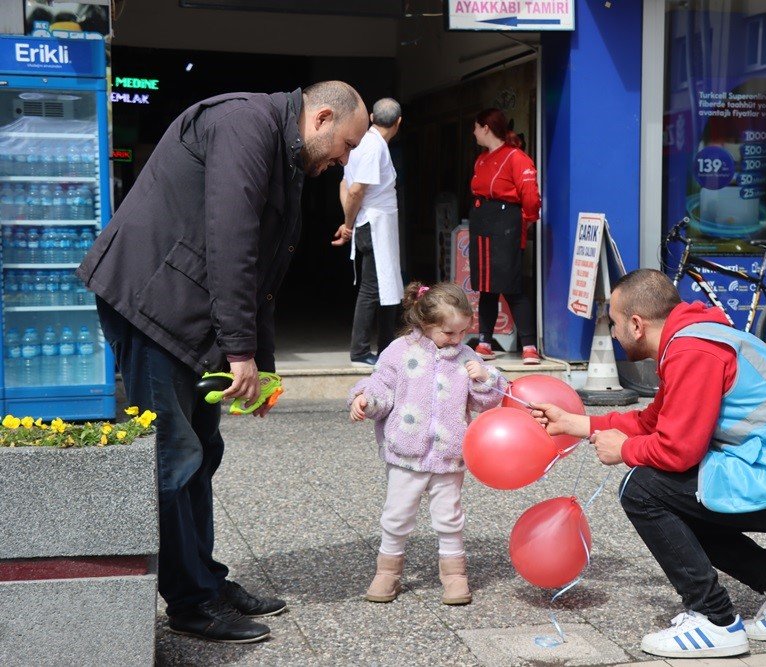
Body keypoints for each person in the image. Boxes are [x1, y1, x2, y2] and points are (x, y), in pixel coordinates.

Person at [76, 81, 369, 644]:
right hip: (151, 301)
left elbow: (264, 269)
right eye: (346, 145)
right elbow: (231, 241)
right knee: (174, 457)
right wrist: (240, 351)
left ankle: (205, 580)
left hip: (185, 304)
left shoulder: (282, 144)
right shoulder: (244, 124)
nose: (344, 160)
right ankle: (190, 604)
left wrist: (262, 367)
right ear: (322, 116)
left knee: (202, 449)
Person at [531, 269, 766, 660]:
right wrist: (575, 424)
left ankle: (715, 621)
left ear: (636, 325)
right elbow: (655, 421)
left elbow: (677, 451)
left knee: (643, 488)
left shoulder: (692, 351)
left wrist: (626, 451)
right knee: (679, 502)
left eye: (614, 323)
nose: (613, 333)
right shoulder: (692, 337)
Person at [348, 281, 507, 606]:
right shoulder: (399, 351)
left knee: (449, 516)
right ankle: (387, 573)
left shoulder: (466, 357)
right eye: (449, 333)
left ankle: (454, 575)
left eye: (462, 332)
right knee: (396, 514)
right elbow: (382, 386)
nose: (457, 339)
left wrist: (484, 378)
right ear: (425, 324)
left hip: (449, 454)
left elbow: (487, 401)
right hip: (406, 452)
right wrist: (366, 399)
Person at [331, 98, 405, 366]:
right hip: (374, 223)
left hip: (369, 221)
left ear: (372, 116)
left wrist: (348, 219)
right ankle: (360, 350)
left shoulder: (363, 142)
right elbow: (355, 190)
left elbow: (345, 184)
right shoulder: (373, 146)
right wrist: (349, 223)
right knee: (372, 288)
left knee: (387, 284)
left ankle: (387, 347)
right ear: (399, 122)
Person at [468, 108, 541, 364]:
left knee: (511, 284)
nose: (474, 132)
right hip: (482, 220)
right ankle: (485, 341)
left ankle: (529, 346)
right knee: (485, 285)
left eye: (476, 127)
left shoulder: (516, 157)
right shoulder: (481, 159)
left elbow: (530, 194)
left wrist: (529, 219)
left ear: (486, 127)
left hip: (505, 221)